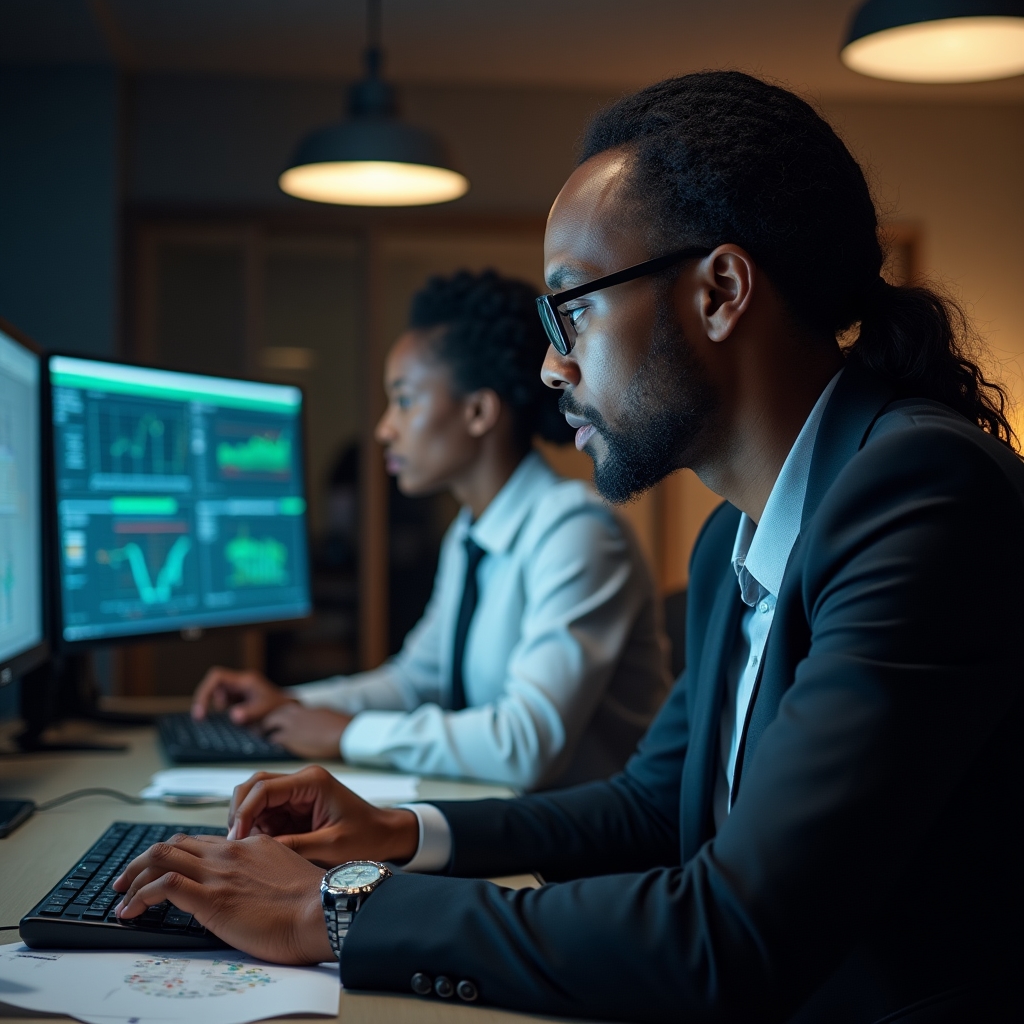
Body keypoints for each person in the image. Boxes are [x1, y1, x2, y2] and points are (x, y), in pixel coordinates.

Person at [114, 72, 1023, 1022]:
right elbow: (649, 804)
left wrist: (338, 913)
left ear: (719, 293)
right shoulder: (733, 542)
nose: (551, 362)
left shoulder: (920, 497)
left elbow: (734, 932)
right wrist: (394, 833)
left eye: (572, 308)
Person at [192, 269, 670, 790]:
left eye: (403, 400)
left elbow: (527, 743)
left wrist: (349, 733)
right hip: (511, 821)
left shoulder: (578, 533)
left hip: (598, 855)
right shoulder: (470, 534)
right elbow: (416, 679)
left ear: (478, 411)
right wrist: (292, 703)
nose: (383, 429)